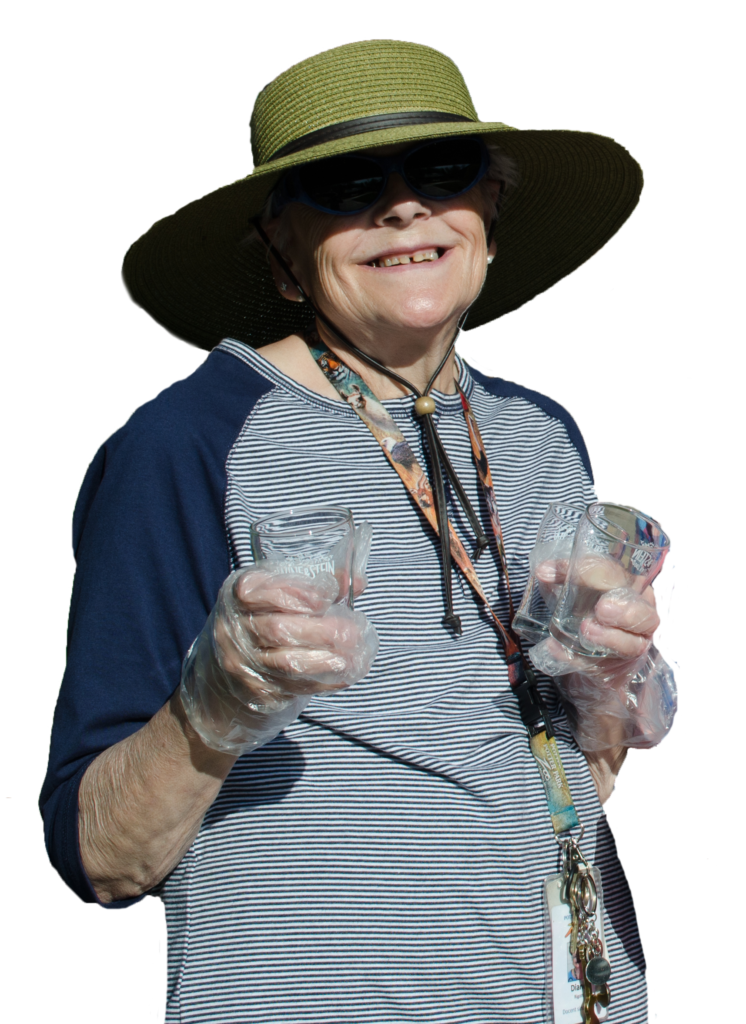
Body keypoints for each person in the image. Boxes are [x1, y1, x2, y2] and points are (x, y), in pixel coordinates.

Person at [40, 38, 677, 1023]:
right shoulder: (187, 441)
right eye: (345, 184)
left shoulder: (543, 432)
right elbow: (98, 855)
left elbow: (571, 776)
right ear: (281, 251)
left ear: (489, 216)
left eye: (440, 172)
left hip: (575, 1000)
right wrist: (218, 697)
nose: (403, 206)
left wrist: (606, 689)